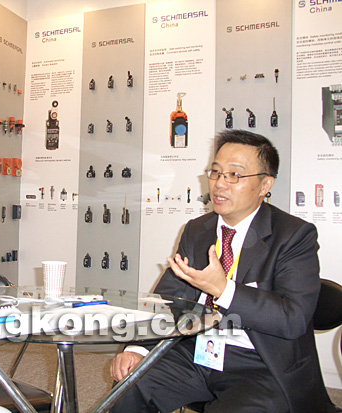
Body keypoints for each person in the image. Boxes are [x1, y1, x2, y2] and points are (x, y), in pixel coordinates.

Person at [110, 129, 336, 412]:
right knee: (130, 385)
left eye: (235, 175)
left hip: (259, 364)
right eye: (216, 172)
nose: (219, 183)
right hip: (197, 352)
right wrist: (137, 348)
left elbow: (293, 318)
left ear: (265, 184)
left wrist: (224, 289)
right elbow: (167, 299)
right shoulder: (197, 230)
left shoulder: (293, 235)